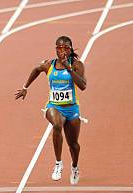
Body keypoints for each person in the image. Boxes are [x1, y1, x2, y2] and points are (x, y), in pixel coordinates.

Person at [15, 35, 86, 184]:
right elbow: (36, 69)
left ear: (70, 49)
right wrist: (25, 88)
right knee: (57, 124)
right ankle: (58, 163)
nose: (63, 51)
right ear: (56, 49)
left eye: (66, 48)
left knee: (73, 145)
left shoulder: (77, 65)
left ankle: (74, 167)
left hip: (72, 108)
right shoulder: (49, 65)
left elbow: (83, 86)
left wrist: (69, 68)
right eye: (60, 48)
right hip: (53, 106)